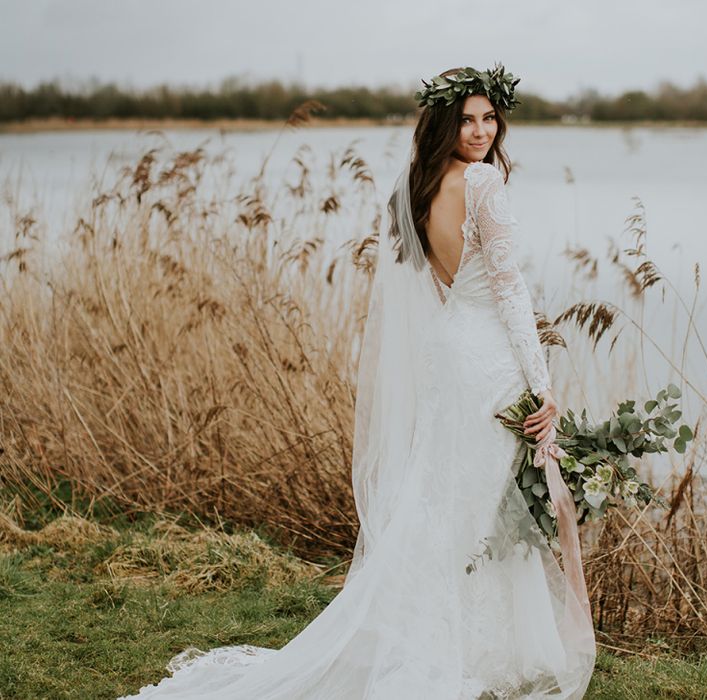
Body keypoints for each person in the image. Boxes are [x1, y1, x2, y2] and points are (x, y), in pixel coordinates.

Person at [119, 62, 596, 700]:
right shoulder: (482, 183)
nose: (480, 131)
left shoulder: (418, 183)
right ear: (444, 123)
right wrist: (544, 386)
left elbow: (438, 283)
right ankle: (462, 649)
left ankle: (458, 641)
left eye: (489, 118)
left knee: (449, 498)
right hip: (489, 361)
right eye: (467, 119)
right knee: (476, 505)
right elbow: (510, 292)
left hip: (450, 349)